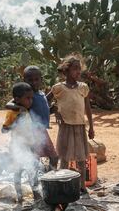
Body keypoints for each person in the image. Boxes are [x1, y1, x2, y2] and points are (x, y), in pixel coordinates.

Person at [47, 53, 95, 195]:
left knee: (81, 157)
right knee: (65, 157)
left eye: (79, 69)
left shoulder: (83, 87)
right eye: (75, 69)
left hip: (80, 126)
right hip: (65, 126)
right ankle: (64, 185)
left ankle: (81, 186)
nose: (78, 72)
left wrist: (91, 127)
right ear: (66, 70)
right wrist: (54, 110)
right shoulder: (58, 88)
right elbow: (45, 102)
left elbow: (88, 108)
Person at [6, 66, 58, 170]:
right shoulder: (27, 95)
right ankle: (40, 178)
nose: (34, 82)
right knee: (36, 158)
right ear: (24, 80)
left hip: (42, 131)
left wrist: (51, 110)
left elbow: (42, 109)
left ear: (41, 80)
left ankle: (50, 176)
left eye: (36, 79)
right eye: (30, 80)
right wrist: (20, 108)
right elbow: (8, 104)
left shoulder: (41, 93)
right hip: (32, 132)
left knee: (53, 157)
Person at [2, 82, 41, 203]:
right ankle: (20, 196)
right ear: (17, 99)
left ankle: (36, 195)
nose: (30, 101)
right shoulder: (12, 113)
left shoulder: (25, 110)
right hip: (17, 147)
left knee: (32, 171)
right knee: (17, 171)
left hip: (29, 146)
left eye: (31, 98)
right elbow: (4, 129)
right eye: (27, 98)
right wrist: (16, 122)